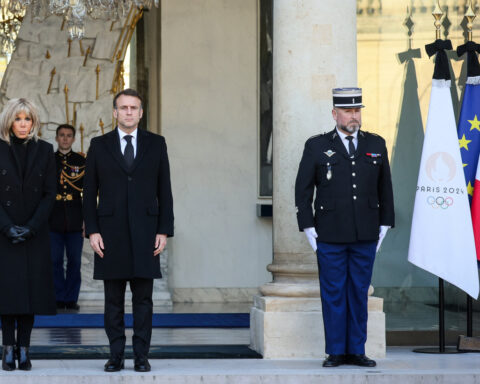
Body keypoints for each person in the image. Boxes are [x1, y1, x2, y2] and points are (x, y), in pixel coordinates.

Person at [295, 88, 394, 368]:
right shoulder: (316, 146)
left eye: (357, 111)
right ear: (334, 114)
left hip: (366, 233)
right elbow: (302, 192)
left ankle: (357, 350)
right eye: (348, 111)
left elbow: (385, 187)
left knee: (359, 293)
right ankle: (336, 351)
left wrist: (385, 224)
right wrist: (308, 228)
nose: (354, 116)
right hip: (329, 234)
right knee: (334, 293)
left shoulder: (376, 143)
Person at [83, 88, 174, 373]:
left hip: (147, 232)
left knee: (144, 300)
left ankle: (141, 356)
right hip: (109, 234)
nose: (129, 112)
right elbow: (88, 193)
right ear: (115, 112)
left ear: (141, 112)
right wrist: (92, 231)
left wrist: (164, 229)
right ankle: (116, 356)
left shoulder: (157, 144)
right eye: (123, 108)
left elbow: (165, 190)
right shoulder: (99, 145)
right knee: (113, 301)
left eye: (134, 108)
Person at [0, 98, 57, 371]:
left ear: (34, 122)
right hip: (3, 232)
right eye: (18, 118)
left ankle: (25, 349)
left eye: (28, 119)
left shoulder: (45, 150)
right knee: (8, 294)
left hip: (34, 232)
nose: (23, 124)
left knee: (30, 295)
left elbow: (49, 194)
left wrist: (32, 226)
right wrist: (6, 226)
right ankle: (7, 348)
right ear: (9, 121)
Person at [49, 124, 85, 311]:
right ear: (56, 138)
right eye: (61, 135)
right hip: (52, 219)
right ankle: (57, 297)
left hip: (75, 219)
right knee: (54, 261)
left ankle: (71, 298)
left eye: (68, 135)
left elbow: (87, 193)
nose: (65, 138)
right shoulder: (49, 159)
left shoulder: (81, 161)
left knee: (74, 261)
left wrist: (87, 221)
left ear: (73, 138)